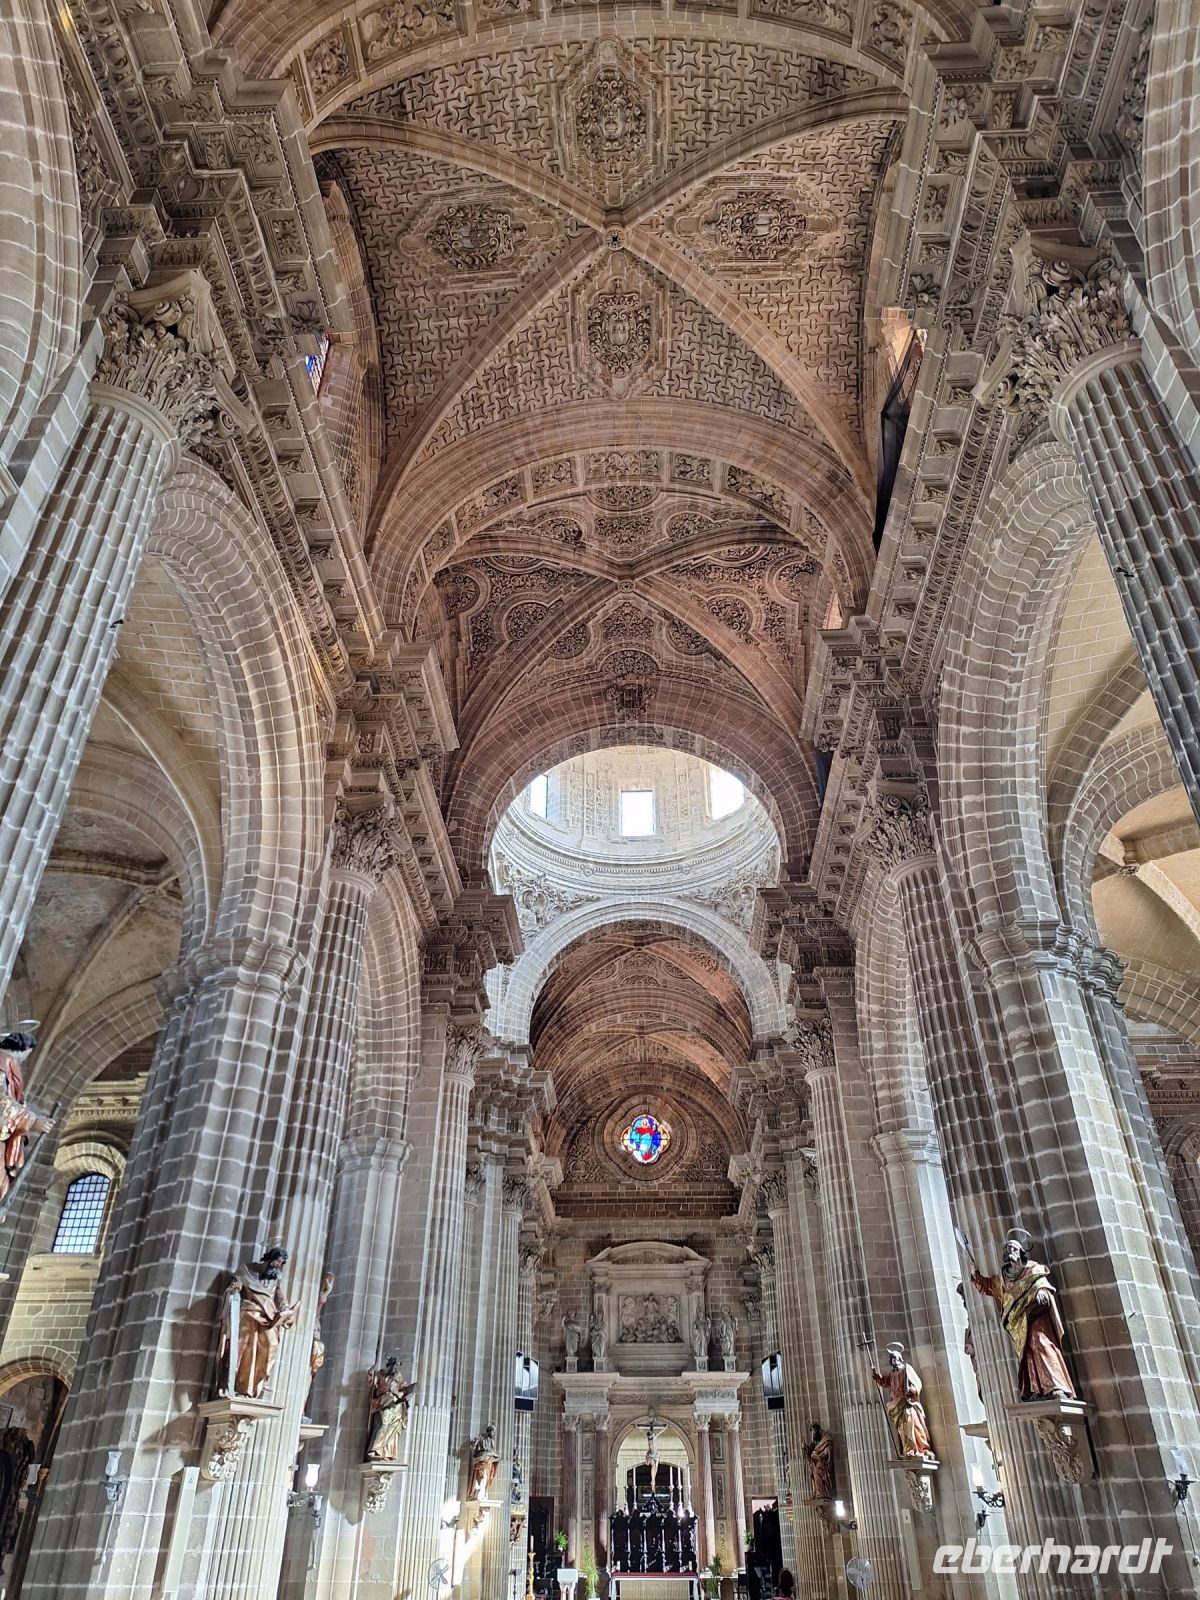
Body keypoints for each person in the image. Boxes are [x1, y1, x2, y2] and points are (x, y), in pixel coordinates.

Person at [971, 1233, 1077, 1401]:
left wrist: (1042, 1293)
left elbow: (1042, 1285)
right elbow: (989, 1286)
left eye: (1013, 1248)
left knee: (1041, 1343)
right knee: (1027, 1352)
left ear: (1021, 1252)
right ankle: (1037, 1388)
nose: (1009, 1251)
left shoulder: (1032, 1270)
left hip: (1036, 1316)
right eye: (1007, 1249)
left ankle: (1057, 1386)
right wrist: (976, 1276)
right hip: (1020, 1323)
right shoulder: (1004, 1277)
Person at [221, 1245, 300, 1398]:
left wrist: (287, 1311)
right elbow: (233, 1287)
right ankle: (235, 1385)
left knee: (271, 1344)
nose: (277, 1266)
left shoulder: (275, 1278)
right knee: (243, 1349)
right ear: (269, 1259)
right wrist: (235, 1287)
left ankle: (260, 1384)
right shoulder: (246, 1271)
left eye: (280, 1263)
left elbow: (280, 1297)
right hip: (248, 1314)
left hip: (268, 1318)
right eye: (277, 1262)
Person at [0, 1031, 53, 1205]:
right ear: (22, 1049)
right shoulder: (2, 1064)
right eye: (28, 1053)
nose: (26, 1058)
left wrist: (35, 1115)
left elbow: (17, 1102)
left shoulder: (9, 1067)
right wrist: (31, 1120)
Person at [870, 1344, 934, 1458]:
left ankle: (918, 1448)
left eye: (895, 1358)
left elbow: (917, 1383)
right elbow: (885, 1382)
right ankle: (908, 1449)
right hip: (896, 1405)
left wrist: (912, 1390)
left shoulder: (906, 1369)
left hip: (907, 1403)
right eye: (892, 1359)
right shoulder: (893, 1374)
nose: (893, 1361)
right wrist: (877, 1377)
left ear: (899, 1358)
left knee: (912, 1423)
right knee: (902, 1429)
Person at [365, 1356, 416, 1462]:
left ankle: (388, 1453)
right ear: (390, 1365)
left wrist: (406, 1393)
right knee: (383, 1425)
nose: (396, 1368)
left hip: (396, 1405)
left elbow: (404, 1388)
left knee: (394, 1428)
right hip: (384, 1402)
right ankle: (375, 1448)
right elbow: (371, 1382)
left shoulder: (398, 1376)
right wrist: (371, 1371)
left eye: (397, 1366)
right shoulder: (381, 1374)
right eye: (394, 1365)